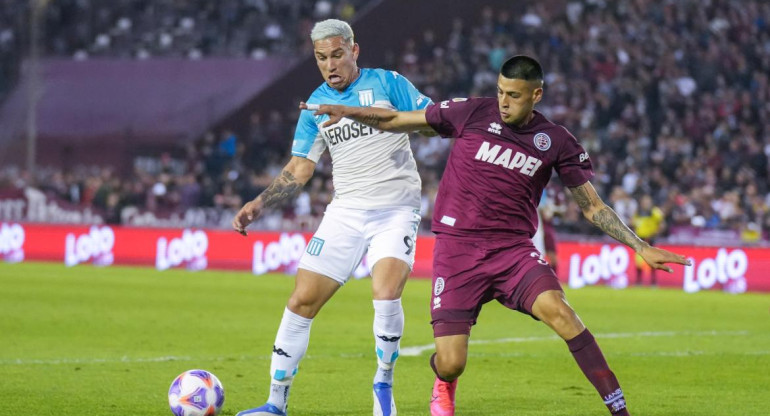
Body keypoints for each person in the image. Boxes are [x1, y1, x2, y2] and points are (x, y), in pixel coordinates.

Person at [303, 55, 690, 416]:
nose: (504, 102)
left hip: (512, 252)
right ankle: (443, 380)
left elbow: (592, 206)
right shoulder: (471, 111)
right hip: (457, 253)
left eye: (514, 96)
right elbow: (397, 120)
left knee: (563, 314)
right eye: (501, 91)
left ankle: (619, 408)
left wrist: (639, 246)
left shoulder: (556, 141)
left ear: (536, 95)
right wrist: (348, 110)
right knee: (452, 362)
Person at [232, 19, 432, 416]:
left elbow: (431, 124)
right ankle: (275, 402)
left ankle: (383, 383)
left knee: (386, 293)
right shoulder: (315, 105)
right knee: (301, 301)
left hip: (395, 209)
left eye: (337, 55)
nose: (330, 65)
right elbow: (300, 168)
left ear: (354, 51)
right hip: (346, 212)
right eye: (322, 58)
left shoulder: (389, 84)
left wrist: (358, 113)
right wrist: (261, 203)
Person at [632, 194, 665, 286]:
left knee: (652, 260)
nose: (646, 203)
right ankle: (638, 282)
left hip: (650, 239)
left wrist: (655, 233)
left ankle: (653, 282)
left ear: (650, 203)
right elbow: (633, 222)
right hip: (640, 239)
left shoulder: (655, 212)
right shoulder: (638, 212)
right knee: (639, 261)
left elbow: (662, 224)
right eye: (644, 202)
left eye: (647, 201)